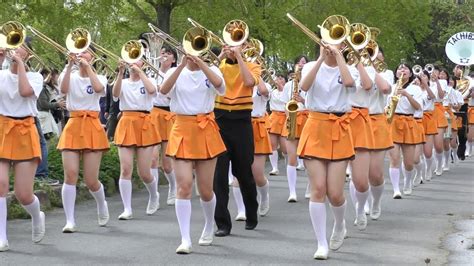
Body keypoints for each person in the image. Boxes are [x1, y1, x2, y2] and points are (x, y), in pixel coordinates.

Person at [160, 54, 226, 254]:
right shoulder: (174, 71)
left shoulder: (212, 70)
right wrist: (181, 65)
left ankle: (208, 225)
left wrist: (203, 65)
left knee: (205, 190)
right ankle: (185, 238)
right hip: (181, 127)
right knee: (184, 186)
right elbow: (164, 91)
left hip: (205, 128)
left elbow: (221, 88)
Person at [298, 44, 357, 260]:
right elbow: (303, 87)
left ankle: (340, 224)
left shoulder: (348, 68)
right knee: (318, 188)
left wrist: (340, 57)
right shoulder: (312, 66)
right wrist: (321, 59)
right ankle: (321, 243)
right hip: (315, 125)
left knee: (335, 193)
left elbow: (350, 84)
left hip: (339, 128)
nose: (333, 46)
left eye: (339, 42)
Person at [57, 49, 110, 233]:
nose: (81, 55)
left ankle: (102, 203)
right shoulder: (67, 74)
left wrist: (87, 68)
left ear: (92, 57)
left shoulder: (100, 77)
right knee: (70, 175)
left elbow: (99, 90)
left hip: (92, 125)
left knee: (91, 180)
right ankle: (70, 220)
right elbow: (63, 91)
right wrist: (70, 64)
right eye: (78, 52)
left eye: (85, 52)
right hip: (73, 123)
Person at [0, 45, 46, 251]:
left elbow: (24, 91)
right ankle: (2, 237)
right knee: (0, 184)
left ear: (28, 54)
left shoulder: (35, 76)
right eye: (12, 49)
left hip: (25, 130)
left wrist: (19, 65)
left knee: (23, 194)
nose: (15, 52)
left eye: (21, 50)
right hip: (2, 128)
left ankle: (37, 216)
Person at [213, 43, 261, 236]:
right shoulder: (219, 66)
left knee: (243, 173)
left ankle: (251, 212)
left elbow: (249, 82)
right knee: (219, 175)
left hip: (242, 121)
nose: (233, 47)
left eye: (237, 44)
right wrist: (219, 58)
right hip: (220, 119)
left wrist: (240, 58)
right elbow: (207, 77)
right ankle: (222, 223)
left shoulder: (253, 64)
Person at [113, 59, 162, 220]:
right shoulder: (124, 82)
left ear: (144, 64)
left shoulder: (150, 80)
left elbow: (152, 91)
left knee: (144, 172)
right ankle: (127, 208)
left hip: (144, 122)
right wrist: (120, 72)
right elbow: (114, 94)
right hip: (127, 121)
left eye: (138, 60)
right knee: (125, 168)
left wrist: (140, 72)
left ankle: (154, 195)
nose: (134, 64)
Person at [231, 76, 272, 220]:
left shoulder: (263, 84)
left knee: (258, 174)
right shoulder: (238, 82)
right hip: (241, 125)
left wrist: (257, 73)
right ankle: (241, 210)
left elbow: (263, 90)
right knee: (239, 172)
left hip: (257, 127)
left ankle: (264, 196)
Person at [365, 48, 393, 220]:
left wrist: (372, 69)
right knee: (358, 174)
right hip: (356, 120)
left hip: (377, 120)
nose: (374, 59)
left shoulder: (387, 73)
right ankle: (362, 206)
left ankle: (375, 201)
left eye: (376, 57)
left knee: (375, 174)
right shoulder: (353, 68)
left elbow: (385, 89)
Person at [387, 63, 423, 199]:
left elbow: (418, 107)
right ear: (396, 73)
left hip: (409, 122)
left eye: (405, 68)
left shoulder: (416, 88)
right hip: (393, 122)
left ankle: (407, 182)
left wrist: (406, 94)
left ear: (410, 73)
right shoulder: (390, 87)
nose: (403, 70)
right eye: (400, 68)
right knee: (394, 158)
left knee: (409, 162)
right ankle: (396, 189)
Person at [150, 46, 178, 206]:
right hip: (153, 113)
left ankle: (173, 187)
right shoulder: (150, 72)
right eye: (162, 53)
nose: (163, 56)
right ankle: (154, 194)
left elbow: (167, 92)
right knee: (153, 159)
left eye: (167, 54)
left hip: (168, 114)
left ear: (173, 59)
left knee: (167, 163)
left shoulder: (175, 73)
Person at [282, 55, 309, 202]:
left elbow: (313, 103)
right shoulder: (288, 85)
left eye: (305, 62)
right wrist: (289, 117)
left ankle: (310, 186)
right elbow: (286, 104)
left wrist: (302, 100)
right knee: (291, 157)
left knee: (308, 158)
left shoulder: (311, 82)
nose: (302, 64)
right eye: (300, 62)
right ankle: (292, 192)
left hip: (308, 118)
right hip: (293, 118)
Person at [267, 73, 288, 175]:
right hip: (274, 117)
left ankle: (289, 165)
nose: (279, 80)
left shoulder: (287, 90)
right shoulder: (272, 91)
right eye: (278, 78)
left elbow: (286, 98)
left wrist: (280, 85)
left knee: (285, 146)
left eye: (281, 78)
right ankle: (274, 168)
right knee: (272, 144)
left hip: (285, 117)